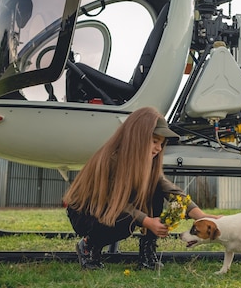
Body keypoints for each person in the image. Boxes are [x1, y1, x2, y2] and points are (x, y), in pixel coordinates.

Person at [63, 106, 220, 270]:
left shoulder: (147, 163)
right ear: (137, 138)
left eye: (161, 143)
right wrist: (147, 221)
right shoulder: (111, 159)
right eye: (154, 141)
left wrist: (201, 216)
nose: (159, 148)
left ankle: (147, 251)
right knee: (126, 222)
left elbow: (170, 190)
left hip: (114, 207)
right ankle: (89, 245)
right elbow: (114, 202)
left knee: (156, 191)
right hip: (86, 213)